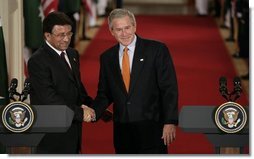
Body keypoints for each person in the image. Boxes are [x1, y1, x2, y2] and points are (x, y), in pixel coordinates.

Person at [86, 8, 178, 154]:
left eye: (127, 28)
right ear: (111, 31)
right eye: (119, 29)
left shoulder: (156, 50)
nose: (124, 33)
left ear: (134, 26)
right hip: (123, 132)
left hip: (152, 129)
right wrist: (93, 112)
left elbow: (169, 89)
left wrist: (170, 121)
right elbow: (105, 93)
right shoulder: (107, 57)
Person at [27, 11, 94, 154]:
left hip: (73, 129)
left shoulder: (72, 53)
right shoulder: (37, 61)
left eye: (69, 33)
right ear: (47, 36)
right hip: (52, 134)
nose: (66, 39)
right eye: (60, 35)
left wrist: (94, 106)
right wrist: (81, 113)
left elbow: (77, 87)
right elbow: (49, 99)